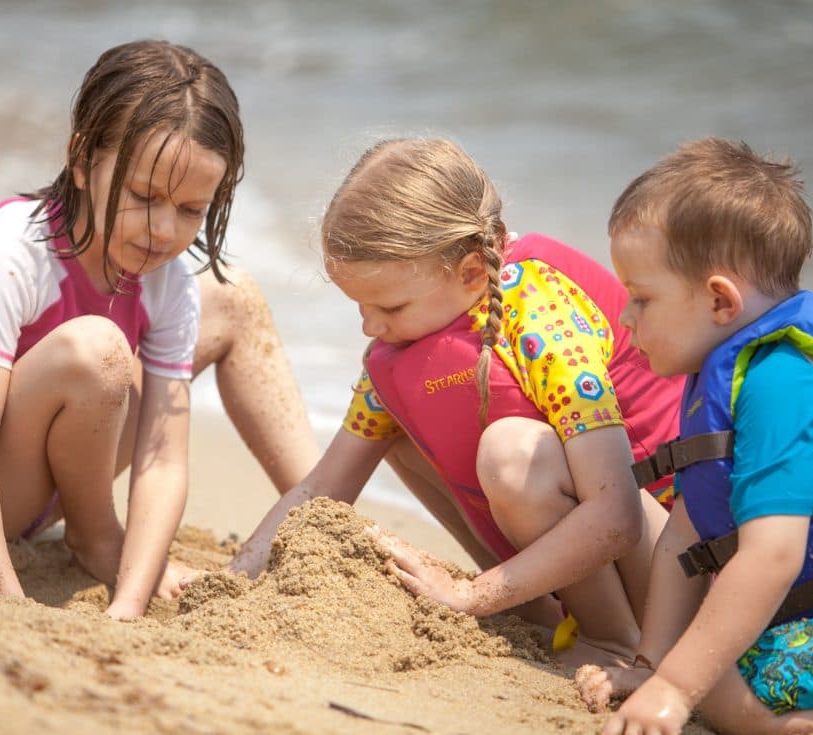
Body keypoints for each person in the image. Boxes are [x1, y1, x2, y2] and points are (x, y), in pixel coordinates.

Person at [212, 137, 684, 663]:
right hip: (593, 549)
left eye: (389, 305)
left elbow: (617, 515)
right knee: (400, 430)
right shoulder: (409, 344)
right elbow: (323, 487)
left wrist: (470, 596)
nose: (369, 327)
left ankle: (613, 640)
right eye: (360, 307)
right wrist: (231, 578)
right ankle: (541, 612)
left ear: (470, 273)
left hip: (672, 569)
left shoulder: (542, 317)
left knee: (511, 454)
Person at [0, 40, 317, 620]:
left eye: (193, 210)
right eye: (144, 196)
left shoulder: (164, 274)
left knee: (224, 298)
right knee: (97, 351)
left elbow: (164, 462)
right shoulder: (9, 255)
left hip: (62, 461)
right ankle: (95, 537)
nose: (165, 230)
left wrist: (129, 605)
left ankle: (322, 510)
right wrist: (7, 602)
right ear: (80, 158)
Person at [574, 137, 813, 735]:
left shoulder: (776, 383)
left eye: (641, 298)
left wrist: (675, 691)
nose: (625, 318)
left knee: (725, 680)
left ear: (719, 300)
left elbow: (772, 555)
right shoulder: (719, 377)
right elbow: (688, 531)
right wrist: (652, 667)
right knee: (711, 669)